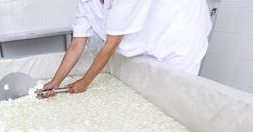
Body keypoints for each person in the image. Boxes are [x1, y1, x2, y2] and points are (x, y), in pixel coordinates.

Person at [40, 0, 213, 98]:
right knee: (151, 93)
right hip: (146, 35)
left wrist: (85, 82)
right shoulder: (86, 2)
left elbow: (111, 44)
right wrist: (56, 82)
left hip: (178, 31)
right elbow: (77, 44)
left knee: (176, 96)